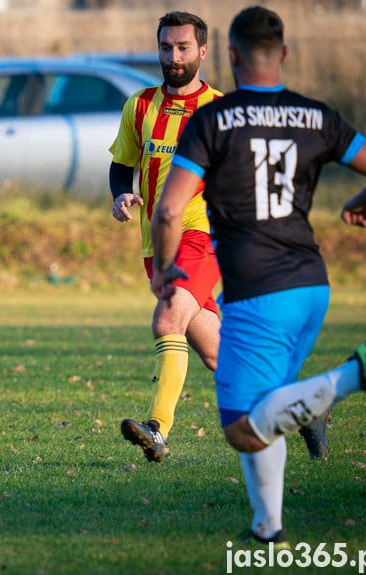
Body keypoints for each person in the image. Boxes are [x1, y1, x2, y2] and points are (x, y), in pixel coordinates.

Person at [150, 6, 366, 545]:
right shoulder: (318, 116)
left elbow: (168, 210)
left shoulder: (211, 120)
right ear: (283, 54)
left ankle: (359, 372)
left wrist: (165, 269)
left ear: (230, 56)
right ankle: (268, 528)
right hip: (312, 285)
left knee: (243, 426)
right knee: (266, 406)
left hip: (257, 291)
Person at [108, 11, 223, 463]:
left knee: (166, 320)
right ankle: (302, 407)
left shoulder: (220, 110)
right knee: (220, 355)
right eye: (165, 47)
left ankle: (157, 429)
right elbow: (123, 163)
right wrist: (121, 194)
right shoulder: (139, 105)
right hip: (155, 246)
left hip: (203, 235)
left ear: (202, 51)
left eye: (182, 48)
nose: (173, 57)